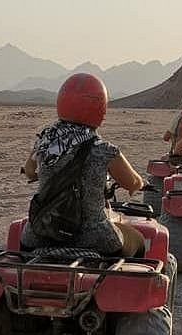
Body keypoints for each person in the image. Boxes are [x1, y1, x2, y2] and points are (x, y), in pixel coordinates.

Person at [22, 73, 146, 257]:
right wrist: (140, 184)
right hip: (94, 238)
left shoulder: (45, 142)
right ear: (100, 107)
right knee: (138, 241)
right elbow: (132, 182)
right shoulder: (103, 149)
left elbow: (31, 172)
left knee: (23, 247)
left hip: (40, 234)